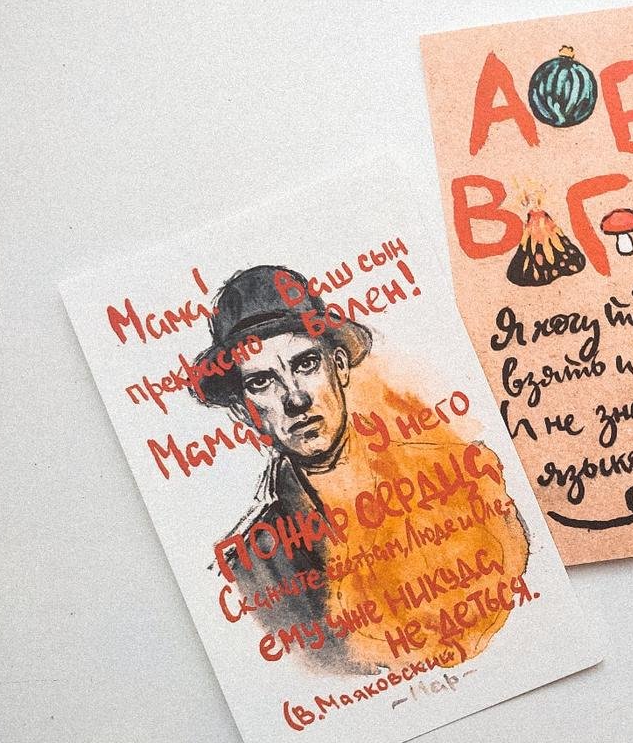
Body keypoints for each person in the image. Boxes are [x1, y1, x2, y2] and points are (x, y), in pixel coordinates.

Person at [193, 265, 529, 674]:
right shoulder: (255, 566)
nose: (295, 398)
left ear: (339, 366)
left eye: (305, 364)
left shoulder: (461, 475)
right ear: (244, 410)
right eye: (262, 383)